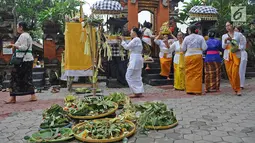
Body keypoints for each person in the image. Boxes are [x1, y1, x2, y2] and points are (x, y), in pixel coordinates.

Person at [5, 21, 37, 104]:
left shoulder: (23, 35)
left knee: (15, 77)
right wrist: (13, 45)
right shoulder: (27, 35)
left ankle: (13, 97)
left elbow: (23, 47)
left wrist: (13, 45)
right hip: (27, 59)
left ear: (21, 27)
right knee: (27, 77)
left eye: (17, 26)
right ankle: (33, 96)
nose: (17, 28)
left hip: (23, 60)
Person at [222, 21, 246, 96]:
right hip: (227, 55)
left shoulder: (239, 34)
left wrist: (239, 48)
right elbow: (223, 47)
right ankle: (235, 88)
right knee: (229, 73)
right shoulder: (224, 36)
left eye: (229, 25)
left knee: (235, 73)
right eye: (226, 26)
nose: (227, 27)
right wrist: (226, 41)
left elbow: (243, 45)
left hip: (236, 54)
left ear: (232, 25)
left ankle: (238, 89)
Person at [182, 25, 207, 95]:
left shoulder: (186, 38)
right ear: (196, 30)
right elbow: (204, 47)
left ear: (189, 30)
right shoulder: (200, 37)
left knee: (189, 72)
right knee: (197, 73)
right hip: (197, 55)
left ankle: (189, 89)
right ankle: (197, 90)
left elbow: (183, 48)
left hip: (188, 56)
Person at [120, 27, 144, 98]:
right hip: (137, 58)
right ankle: (139, 91)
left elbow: (127, 47)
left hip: (135, 59)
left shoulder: (136, 39)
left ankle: (135, 92)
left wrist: (122, 40)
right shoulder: (137, 39)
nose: (130, 33)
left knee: (128, 76)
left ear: (134, 32)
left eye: (131, 32)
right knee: (137, 76)